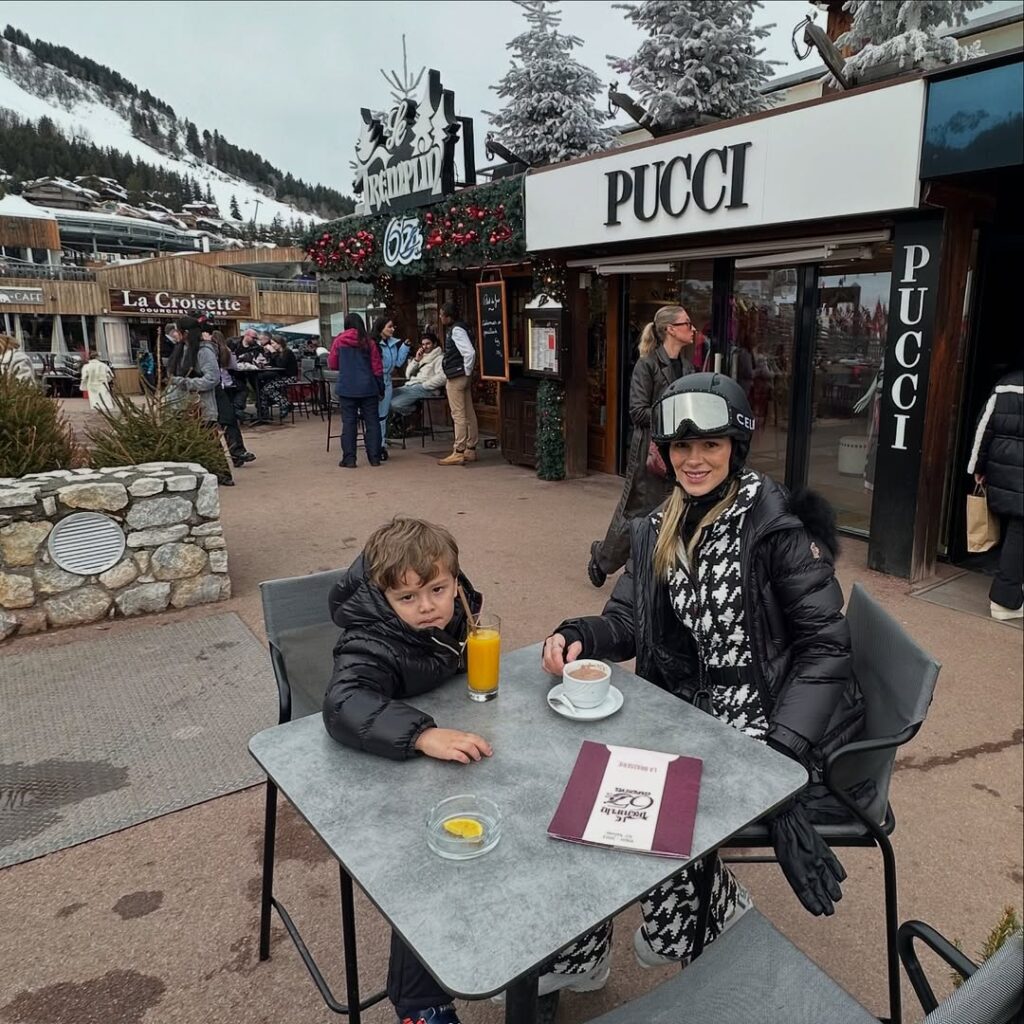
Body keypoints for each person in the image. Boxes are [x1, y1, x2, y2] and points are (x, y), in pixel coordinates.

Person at [544, 372, 864, 974]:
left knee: (638, 804)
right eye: (682, 447)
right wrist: (580, 634)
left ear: (735, 448)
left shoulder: (776, 528)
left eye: (710, 445)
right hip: (688, 711)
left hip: (768, 718)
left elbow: (826, 649)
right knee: (582, 784)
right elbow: (628, 620)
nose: (694, 460)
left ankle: (702, 915)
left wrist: (778, 761)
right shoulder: (660, 526)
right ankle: (584, 950)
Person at [322, 516, 491, 1024]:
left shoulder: (459, 613)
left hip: (447, 769)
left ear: (455, 582)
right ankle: (420, 1004)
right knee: (430, 863)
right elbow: (344, 703)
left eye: (437, 590)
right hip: (381, 774)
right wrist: (421, 734)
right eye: (408, 598)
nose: (427, 607)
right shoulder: (371, 640)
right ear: (384, 597)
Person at [587, 305, 695, 588]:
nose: (692, 329)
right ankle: (604, 557)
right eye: (686, 323)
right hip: (650, 451)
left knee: (674, 510)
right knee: (639, 513)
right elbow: (638, 412)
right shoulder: (647, 365)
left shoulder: (687, 367)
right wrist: (675, 414)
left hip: (679, 450)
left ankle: (661, 572)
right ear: (670, 329)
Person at [967, 366, 1024, 620]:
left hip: (1004, 470)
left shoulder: (1006, 384)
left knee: (1017, 528)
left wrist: (977, 468)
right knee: (1019, 531)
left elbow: (983, 429)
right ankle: (1004, 600)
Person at [166, 317, 234, 486]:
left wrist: (185, 382)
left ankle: (222, 474)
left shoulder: (204, 351)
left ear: (185, 332)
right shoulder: (180, 349)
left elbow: (212, 378)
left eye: (177, 331)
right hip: (180, 404)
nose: (175, 334)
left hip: (201, 406)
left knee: (210, 440)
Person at [327, 312, 384, 468]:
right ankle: (374, 458)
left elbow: (333, 364)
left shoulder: (339, 341)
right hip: (368, 388)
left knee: (349, 423)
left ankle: (349, 459)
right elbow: (377, 367)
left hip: (347, 387)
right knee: (372, 423)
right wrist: (380, 387)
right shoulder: (369, 342)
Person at [208, 329, 256, 469]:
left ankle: (237, 453)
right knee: (214, 424)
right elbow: (233, 366)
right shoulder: (223, 350)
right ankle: (231, 455)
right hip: (214, 389)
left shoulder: (218, 350)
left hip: (221, 388)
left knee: (228, 420)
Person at [438, 302, 478, 466]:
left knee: (458, 414)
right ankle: (470, 448)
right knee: (468, 412)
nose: (440, 317)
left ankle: (459, 450)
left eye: (442, 314)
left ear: (448, 316)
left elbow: (470, 353)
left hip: (456, 375)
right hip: (462, 375)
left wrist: (467, 370)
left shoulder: (456, 330)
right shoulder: (464, 327)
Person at [372, 316, 410, 460]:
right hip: (375, 381)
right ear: (381, 328)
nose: (392, 329)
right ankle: (376, 444)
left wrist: (405, 347)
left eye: (393, 326)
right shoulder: (373, 344)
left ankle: (380, 445)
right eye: (389, 326)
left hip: (387, 381)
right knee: (375, 415)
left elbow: (398, 363)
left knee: (383, 415)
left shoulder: (393, 344)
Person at [390, 331, 446, 417]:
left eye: (428, 344)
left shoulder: (440, 358)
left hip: (425, 388)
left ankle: (415, 410)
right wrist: (416, 360)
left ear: (434, 344)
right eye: (423, 344)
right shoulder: (422, 357)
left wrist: (425, 385)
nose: (425, 347)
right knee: (386, 399)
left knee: (394, 404)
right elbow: (407, 374)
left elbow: (442, 377)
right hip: (410, 385)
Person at [261, 336, 298, 419]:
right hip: (280, 377)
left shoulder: (287, 352)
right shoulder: (278, 353)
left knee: (267, 389)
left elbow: (281, 365)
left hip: (289, 377)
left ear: (279, 344)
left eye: (273, 343)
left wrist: (273, 352)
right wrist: (268, 354)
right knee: (263, 389)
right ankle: (263, 412)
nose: (272, 345)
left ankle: (284, 404)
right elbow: (272, 364)